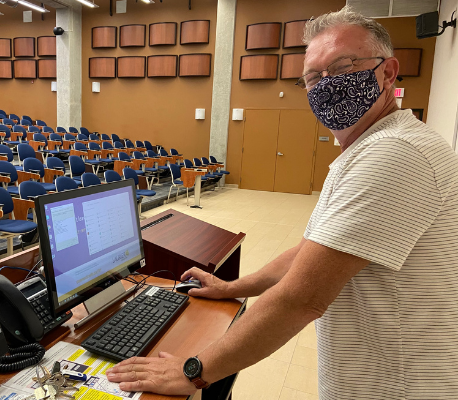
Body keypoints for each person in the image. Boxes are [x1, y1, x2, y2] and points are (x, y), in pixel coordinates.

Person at [106, 6, 458, 399]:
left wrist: (194, 372)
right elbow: (310, 252)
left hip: (399, 384)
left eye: (342, 68)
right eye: (313, 77)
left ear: (388, 72)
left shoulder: (393, 154)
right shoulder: (382, 146)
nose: (326, 85)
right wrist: (230, 288)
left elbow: (301, 298)